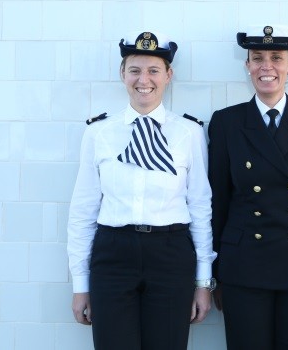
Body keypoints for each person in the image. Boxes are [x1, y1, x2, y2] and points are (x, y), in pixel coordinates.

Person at [67, 31, 217, 350]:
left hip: (171, 254)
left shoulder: (188, 133)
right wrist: (81, 284)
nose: (143, 79)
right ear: (122, 74)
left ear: (168, 75)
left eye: (153, 70)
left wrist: (203, 282)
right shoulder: (99, 133)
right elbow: (83, 211)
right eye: (135, 70)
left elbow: (201, 208)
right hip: (113, 254)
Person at [207, 25, 288, 350]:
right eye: (257, 58)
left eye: (276, 58)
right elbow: (216, 203)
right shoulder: (226, 123)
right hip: (243, 268)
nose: (267, 66)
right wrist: (216, 273)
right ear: (247, 65)